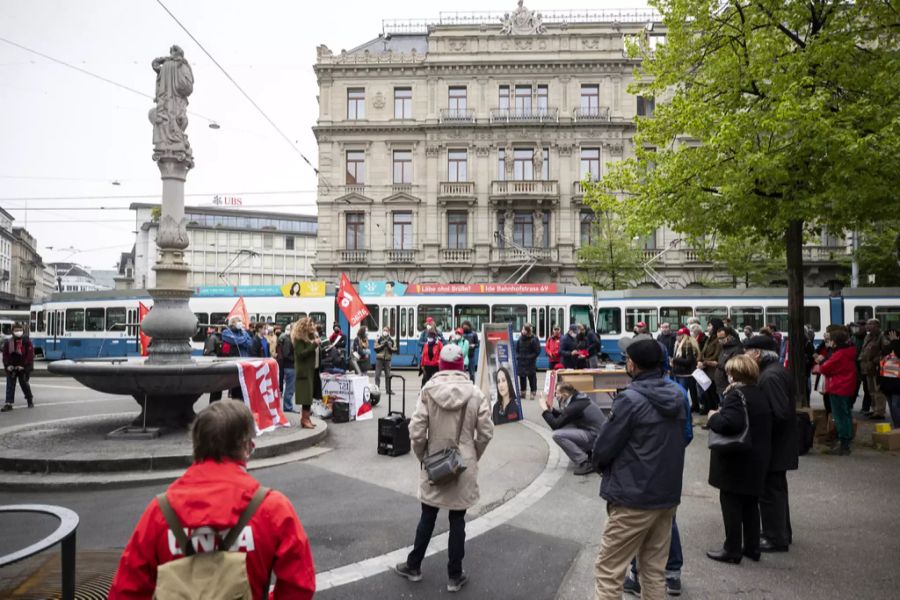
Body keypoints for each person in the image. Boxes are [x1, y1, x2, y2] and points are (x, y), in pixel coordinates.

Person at [108, 400, 316, 599]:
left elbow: (126, 591)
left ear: (196, 445)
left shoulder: (160, 512)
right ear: (245, 447)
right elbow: (300, 584)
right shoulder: (272, 509)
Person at [591, 338, 687, 600]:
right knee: (654, 571)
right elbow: (684, 437)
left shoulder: (630, 400)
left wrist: (599, 465)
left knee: (609, 570)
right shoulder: (678, 395)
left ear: (632, 364)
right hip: (666, 496)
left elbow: (604, 447)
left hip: (633, 496)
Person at [393, 344, 494, 593]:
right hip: (463, 464)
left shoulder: (428, 391)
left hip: (435, 462)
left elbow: (416, 432)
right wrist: (472, 455)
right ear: (461, 367)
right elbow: (487, 432)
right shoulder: (475, 393)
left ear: (440, 366)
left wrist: (424, 457)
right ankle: (454, 576)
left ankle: (414, 566)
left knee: (428, 515)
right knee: (457, 518)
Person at [705, 354, 773, 564]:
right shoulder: (758, 392)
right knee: (751, 504)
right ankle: (752, 547)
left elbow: (730, 424)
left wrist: (713, 416)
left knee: (731, 504)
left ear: (735, 374)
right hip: (756, 457)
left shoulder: (736, 395)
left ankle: (732, 548)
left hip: (736, 460)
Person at [743, 335, 797, 553]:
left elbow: (779, 414)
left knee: (770, 492)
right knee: (776, 490)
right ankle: (782, 532)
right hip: (779, 444)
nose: (744, 356)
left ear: (756, 353)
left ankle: (775, 537)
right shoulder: (773, 371)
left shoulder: (770, 376)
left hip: (774, 445)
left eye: (747, 352)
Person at [541, 382, 606, 475]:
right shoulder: (577, 398)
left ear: (565, 394)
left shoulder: (576, 405)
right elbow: (565, 416)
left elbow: (555, 424)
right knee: (566, 427)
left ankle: (584, 462)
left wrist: (544, 409)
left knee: (557, 435)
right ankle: (589, 453)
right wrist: (551, 410)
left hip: (596, 437)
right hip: (598, 434)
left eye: (557, 393)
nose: (556, 396)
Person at [815, 328, 857, 455]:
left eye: (831, 340)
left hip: (838, 387)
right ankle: (847, 440)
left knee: (839, 416)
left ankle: (844, 444)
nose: (829, 342)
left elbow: (825, 368)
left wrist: (821, 361)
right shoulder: (849, 351)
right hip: (847, 386)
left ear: (835, 342)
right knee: (846, 414)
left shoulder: (839, 354)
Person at [292, 317, 320, 429]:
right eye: (311, 324)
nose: (313, 326)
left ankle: (307, 418)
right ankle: (304, 419)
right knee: (306, 398)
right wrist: (314, 345)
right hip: (304, 372)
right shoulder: (299, 339)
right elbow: (301, 354)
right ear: (305, 327)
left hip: (312, 370)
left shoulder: (310, 337)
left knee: (309, 397)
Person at [860, 318, 889, 419]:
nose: (868, 326)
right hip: (868, 368)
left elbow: (886, 351)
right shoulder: (868, 337)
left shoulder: (882, 337)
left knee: (878, 390)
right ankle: (874, 409)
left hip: (877, 368)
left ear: (877, 326)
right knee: (870, 390)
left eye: (870, 324)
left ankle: (880, 411)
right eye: (867, 324)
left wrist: (877, 359)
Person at [2, 323, 34, 411]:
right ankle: (8, 403)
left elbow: (30, 355)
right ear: (12, 331)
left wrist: (23, 366)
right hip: (12, 367)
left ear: (23, 331)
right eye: (16, 330)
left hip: (23, 367)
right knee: (10, 385)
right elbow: (5, 355)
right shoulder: (8, 342)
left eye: (20, 330)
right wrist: (8, 365)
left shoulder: (26, 342)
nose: (18, 332)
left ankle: (29, 400)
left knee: (24, 384)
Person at [221, 316, 253, 400]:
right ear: (232, 323)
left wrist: (241, 339)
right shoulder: (226, 332)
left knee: (243, 387)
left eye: (240, 321)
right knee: (236, 387)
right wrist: (244, 339)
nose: (240, 323)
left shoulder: (243, 332)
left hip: (244, 362)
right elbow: (235, 341)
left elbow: (250, 344)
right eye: (238, 321)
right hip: (234, 363)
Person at [672, 327, 701, 413]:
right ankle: (689, 407)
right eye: (677, 334)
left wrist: (674, 360)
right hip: (680, 373)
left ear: (684, 336)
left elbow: (689, 361)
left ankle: (684, 409)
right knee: (684, 392)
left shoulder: (687, 344)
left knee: (682, 392)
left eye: (679, 335)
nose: (677, 336)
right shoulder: (678, 344)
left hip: (685, 374)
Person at [698, 318, 724, 413]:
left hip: (713, 372)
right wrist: (699, 361)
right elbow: (702, 352)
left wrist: (703, 362)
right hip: (706, 371)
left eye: (709, 326)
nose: (708, 328)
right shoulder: (709, 339)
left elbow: (716, 356)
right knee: (707, 395)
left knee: (714, 397)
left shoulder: (718, 340)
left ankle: (713, 415)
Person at [713, 327, 744, 404]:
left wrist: (717, 365)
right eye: (718, 338)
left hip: (728, 386)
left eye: (722, 338)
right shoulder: (724, 347)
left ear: (730, 337)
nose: (720, 340)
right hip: (720, 385)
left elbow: (734, 367)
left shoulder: (737, 349)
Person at [516, 324, 540, 400]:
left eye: (524, 329)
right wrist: (518, 356)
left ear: (527, 331)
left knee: (531, 377)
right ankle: (523, 393)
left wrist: (529, 357)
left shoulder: (534, 339)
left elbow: (537, 351)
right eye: (522, 329)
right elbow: (517, 350)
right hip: (521, 362)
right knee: (522, 377)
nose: (522, 331)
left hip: (530, 362)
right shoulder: (520, 339)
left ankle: (533, 392)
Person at [881, 330, 900, 428]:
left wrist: (895, 342)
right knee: (892, 408)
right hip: (887, 383)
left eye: (890, 338)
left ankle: (898, 427)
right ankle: (896, 427)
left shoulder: (897, 346)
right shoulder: (888, 348)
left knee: (895, 406)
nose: (888, 340)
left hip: (897, 383)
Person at [374, 326, 396, 395]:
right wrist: (382, 346)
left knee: (388, 375)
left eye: (386, 330)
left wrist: (389, 347)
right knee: (377, 375)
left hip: (387, 359)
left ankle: (388, 390)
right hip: (379, 359)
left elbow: (395, 349)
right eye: (384, 330)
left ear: (388, 332)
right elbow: (375, 348)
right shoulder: (379, 339)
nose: (385, 332)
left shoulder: (392, 340)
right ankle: (377, 389)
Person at [280, 323, 296, 413]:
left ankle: (288, 406)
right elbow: (286, 354)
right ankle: (287, 407)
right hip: (290, 366)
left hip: (290, 366)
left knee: (290, 388)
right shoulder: (287, 339)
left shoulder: (289, 339)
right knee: (289, 389)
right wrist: (295, 359)